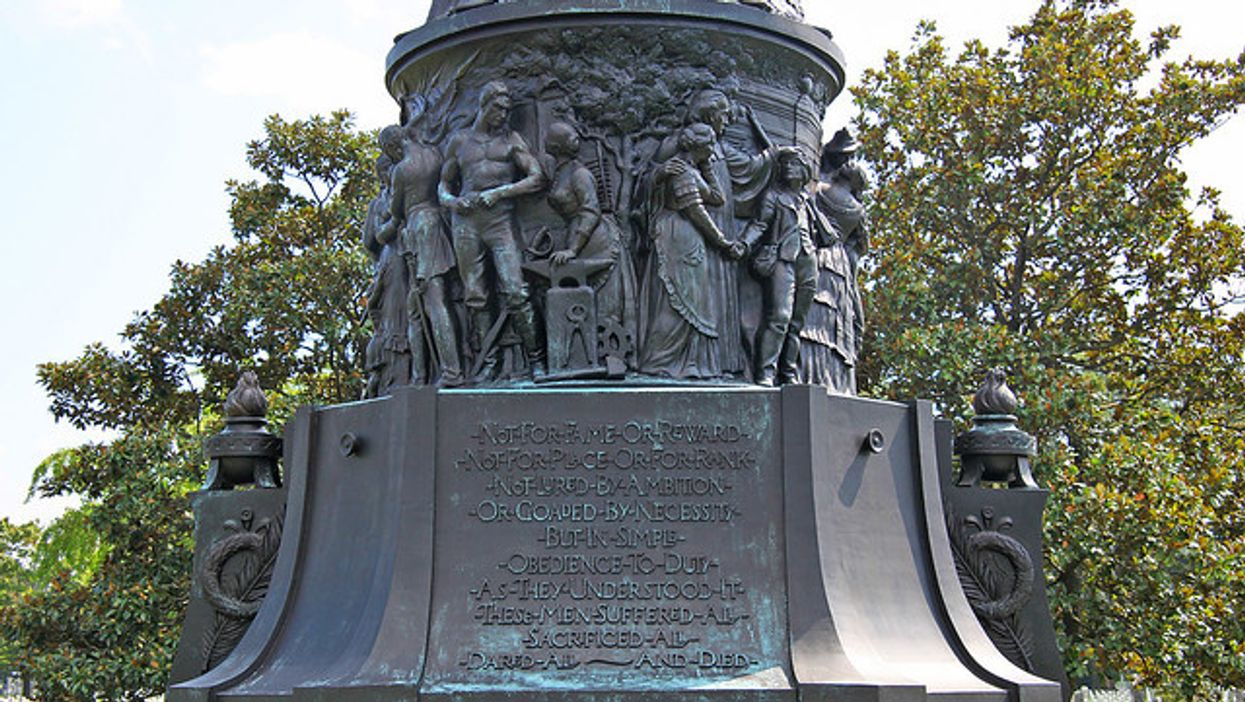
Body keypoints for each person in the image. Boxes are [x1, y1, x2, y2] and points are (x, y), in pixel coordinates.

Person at [438, 81, 547, 379]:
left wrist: (501, 192)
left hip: (500, 221)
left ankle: (537, 359)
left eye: (508, 110)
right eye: (499, 108)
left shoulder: (511, 141)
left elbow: (537, 177)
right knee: (476, 294)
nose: (503, 115)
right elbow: (444, 184)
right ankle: (490, 362)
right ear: (484, 106)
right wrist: (452, 201)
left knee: (515, 290)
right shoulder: (459, 142)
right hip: (467, 223)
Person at [639, 124, 747, 379]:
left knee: (695, 303)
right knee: (678, 302)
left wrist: (707, 165)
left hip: (688, 239)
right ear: (696, 145)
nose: (713, 148)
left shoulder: (692, 169)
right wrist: (722, 242)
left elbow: (718, 197)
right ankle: (659, 361)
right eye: (709, 145)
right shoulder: (680, 171)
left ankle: (693, 365)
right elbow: (695, 211)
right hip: (679, 236)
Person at [389, 97, 464, 387]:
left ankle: (451, 372)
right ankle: (422, 375)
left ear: (393, 148)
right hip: (440, 224)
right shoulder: (434, 153)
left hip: (421, 229)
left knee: (434, 302)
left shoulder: (402, 169)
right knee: (420, 307)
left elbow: (396, 210)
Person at [544, 122, 638, 347]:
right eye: (570, 136)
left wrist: (573, 249)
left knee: (603, 298)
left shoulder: (580, 174)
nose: (576, 140)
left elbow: (591, 211)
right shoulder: (560, 172)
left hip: (596, 240)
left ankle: (611, 353)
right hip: (577, 233)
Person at [740, 149, 818, 386]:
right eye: (784, 165)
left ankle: (788, 373)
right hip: (783, 260)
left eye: (793, 164)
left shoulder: (805, 201)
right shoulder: (773, 196)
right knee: (779, 317)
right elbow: (760, 224)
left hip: (807, 261)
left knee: (796, 323)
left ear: (804, 170)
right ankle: (765, 372)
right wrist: (744, 243)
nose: (788, 169)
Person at [800, 130, 868, 393]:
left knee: (812, 321)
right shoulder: (857, 208)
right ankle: (830, 382)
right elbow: (858, 248)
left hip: (816, 257)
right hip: (838, 266)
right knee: (833, 325)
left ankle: (809, 378)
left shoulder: (818, 190)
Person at [362, 126, 412, 397]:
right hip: (394, 261)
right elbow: (372, 239)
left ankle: (399, 379)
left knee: (401, 318)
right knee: (395, 318)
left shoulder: (392, 198)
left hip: (400, 260)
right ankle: (392, 380)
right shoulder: (382, 202)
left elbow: (372, 241)